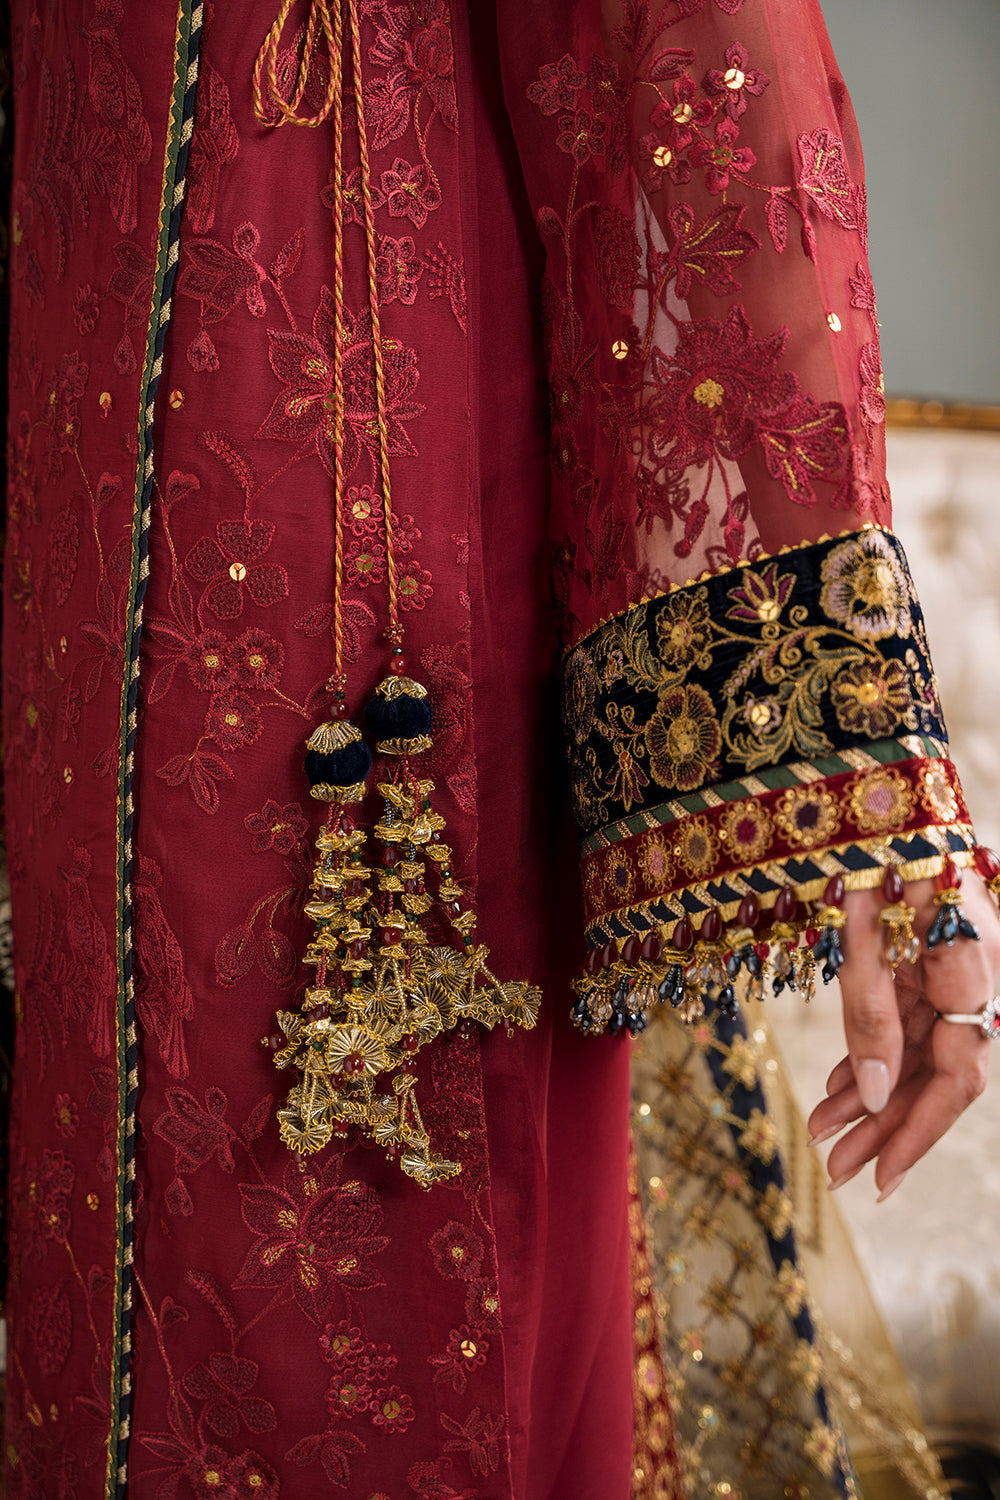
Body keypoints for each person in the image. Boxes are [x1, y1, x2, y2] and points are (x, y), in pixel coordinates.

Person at [2, 0, 996, 1496]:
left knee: (379, 1318)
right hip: (74, 634)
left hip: (389, 614)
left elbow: (700, 69)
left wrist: (866, 796)